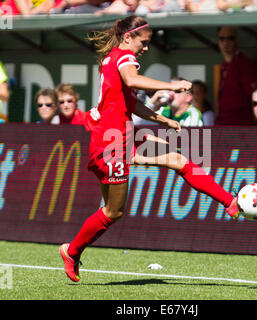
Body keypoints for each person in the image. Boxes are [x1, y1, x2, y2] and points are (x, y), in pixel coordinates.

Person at [59, 16, 239, 283]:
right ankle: (71, 251)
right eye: (143, 42)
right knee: (113, 211)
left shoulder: (113, 59)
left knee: (177, 158)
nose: (145, 47)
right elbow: (132, 81)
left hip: (116, 135)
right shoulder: (124, 59)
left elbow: (129, 102)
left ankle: (229, 201)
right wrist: (172, 85)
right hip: (113, 142)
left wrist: (162, 120)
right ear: (128, 37)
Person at [215, 26, 257, 126]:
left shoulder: (245, 64)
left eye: (230, 38)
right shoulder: (223, 65)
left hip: (241, 126)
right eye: (222, 38)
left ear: (237, 40)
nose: (225, 42)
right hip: (222, 124)